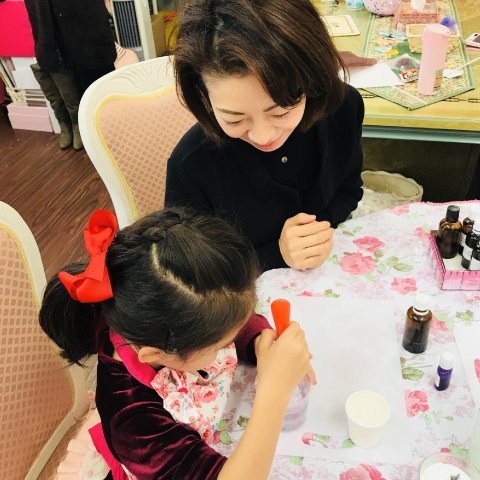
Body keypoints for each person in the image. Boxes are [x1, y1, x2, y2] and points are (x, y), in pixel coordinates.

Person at [39, 208, 311, 480]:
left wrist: (257, 340)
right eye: (220, 345)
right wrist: (274, 392)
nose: (227, 345)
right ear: (157, 354)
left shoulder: (174, 317)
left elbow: (229, 315)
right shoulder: (134, 422)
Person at [165, 0, 366, 272]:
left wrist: (315, 231)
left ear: (311, 80)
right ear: (204, 96)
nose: (262, 136)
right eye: (234, 119)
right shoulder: (191, 165)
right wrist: (276, 254)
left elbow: (349, 190)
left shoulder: (341, 108)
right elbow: (189, 267)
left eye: (280, 112)